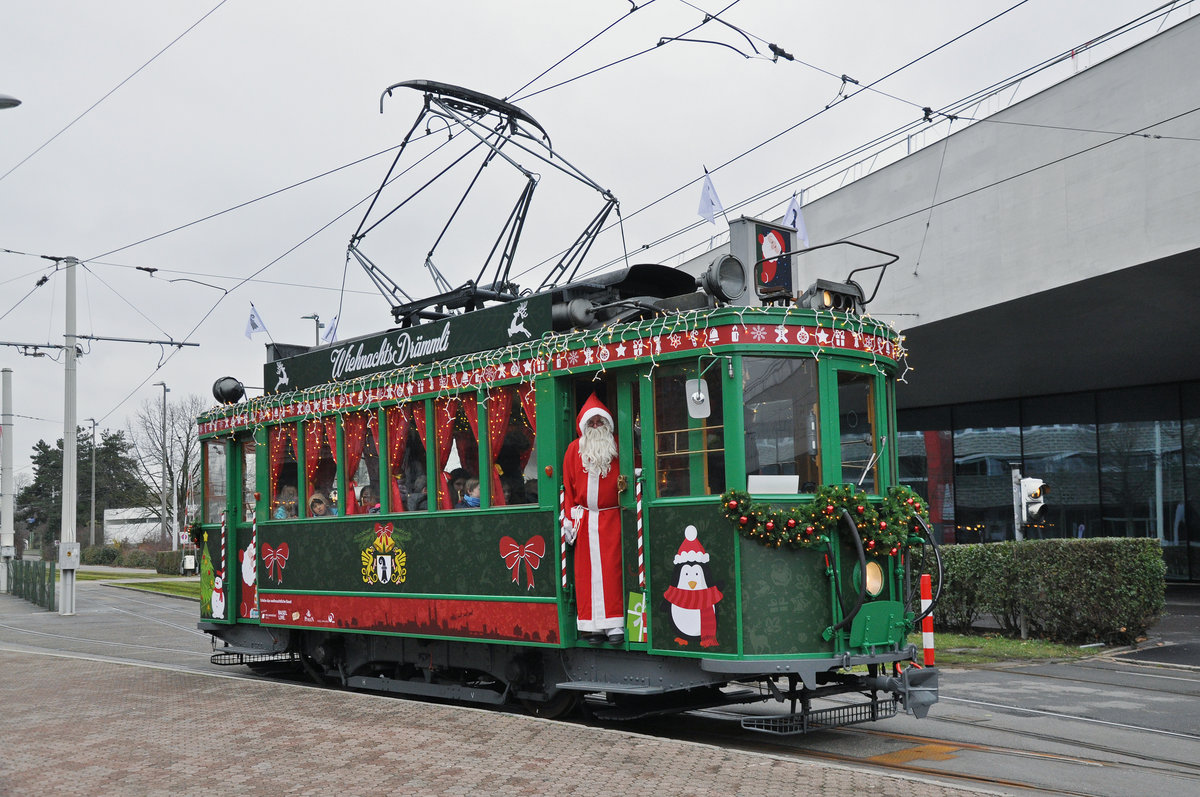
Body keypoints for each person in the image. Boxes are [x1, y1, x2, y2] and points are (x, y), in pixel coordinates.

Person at [561, 393, 624, 645]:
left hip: (612, 518)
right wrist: (568, 517)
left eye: (600, 422)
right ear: (585, 427)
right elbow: (566, 486)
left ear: (607, 425)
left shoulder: (618, 445)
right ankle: (591, 626)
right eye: (592, 423)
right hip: (585, 520)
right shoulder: (574, 450)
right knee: (586, 574)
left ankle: (615, 624)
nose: (596, 427)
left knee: (613, 570)